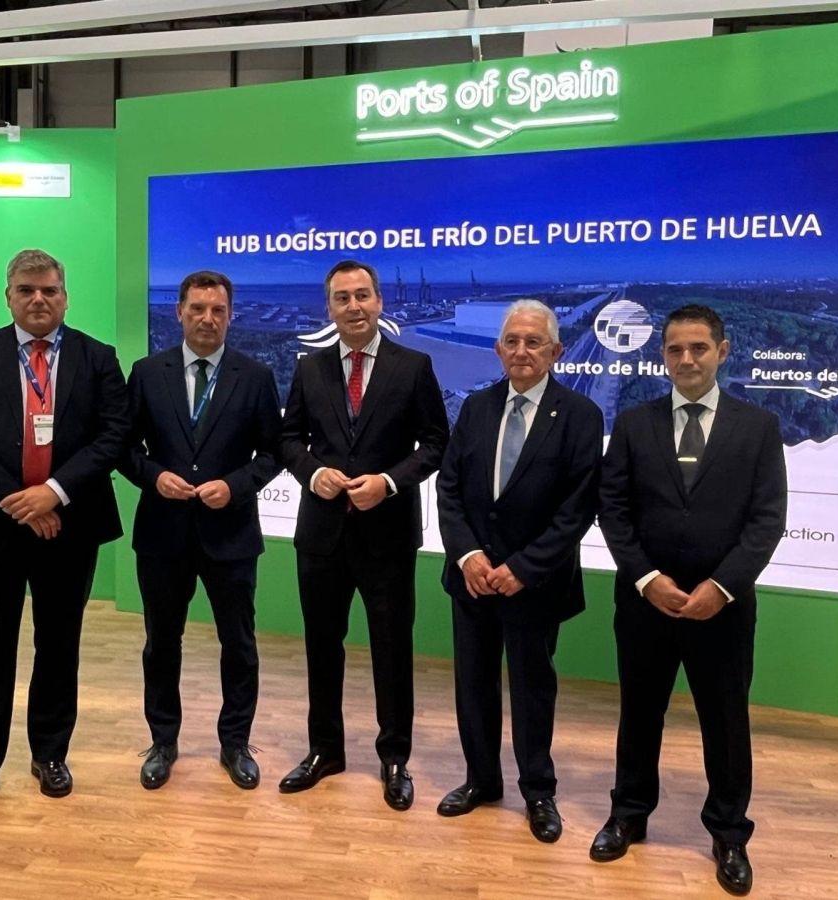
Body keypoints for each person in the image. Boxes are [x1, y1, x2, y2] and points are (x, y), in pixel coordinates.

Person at [593, 304, 787, 895]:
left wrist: (721, 587)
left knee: (725, 722)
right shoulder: (634, 424)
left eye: (698, 348)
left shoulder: (758, 427)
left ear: (722, 352)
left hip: (722, 609)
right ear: (662, 355)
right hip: (645, 604)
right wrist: (647, 579)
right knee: (639, 713)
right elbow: (613, 510)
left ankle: (729, 833)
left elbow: (767, 520)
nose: (686, 359)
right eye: (675, 349)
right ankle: (629, 814)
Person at [0, 248, 129, 821]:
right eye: (26, 290)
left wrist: (55, 492)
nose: (38, 299)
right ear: (9, 297)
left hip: (68, 526)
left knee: (59, 643)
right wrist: (21, 502)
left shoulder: (98, 359)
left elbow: (113, 436)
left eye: (49, 290)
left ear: (65, 297)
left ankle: (50, 754)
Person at [278, 258, 448, 811]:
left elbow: (435, 443)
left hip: (387, 535)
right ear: (329, 307)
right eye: (342, 298)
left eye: (362, 295)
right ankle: (325, 750)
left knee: (392, 650)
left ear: (379, 301)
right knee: (321, 647)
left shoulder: (414, 366)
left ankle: (394, 757)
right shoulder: (310, 368)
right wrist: (314, 473)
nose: (353, 306)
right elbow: (289, 439)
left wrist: (389, 483)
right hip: (321, 535)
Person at [435, 300, 603, 844]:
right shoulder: (477, 407)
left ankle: (538, 792)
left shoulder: (579, 415)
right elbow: (449, 488)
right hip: (474, 579)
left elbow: (577, 508)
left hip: (535, 584)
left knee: (533, 691)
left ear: (555, 351)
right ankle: (481, 780)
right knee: (473, 685)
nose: (522, 351)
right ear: (498, 349)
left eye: (534, 342)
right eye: (512, 341)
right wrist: (468, 556)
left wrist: (523, 568)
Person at [120, 270, 281, 791]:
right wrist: (153, 476)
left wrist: (234, 486)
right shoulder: (148, 372)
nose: (207, 318)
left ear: (230, 316)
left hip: (230, 534)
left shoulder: (254, 376)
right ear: (179, 312)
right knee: (161, 643)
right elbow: (123, 448)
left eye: (217, 310)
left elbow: (274, 453)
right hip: (162, 533)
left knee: (240, 644)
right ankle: (162, 741)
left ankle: (235, 743)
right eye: (197, 308)